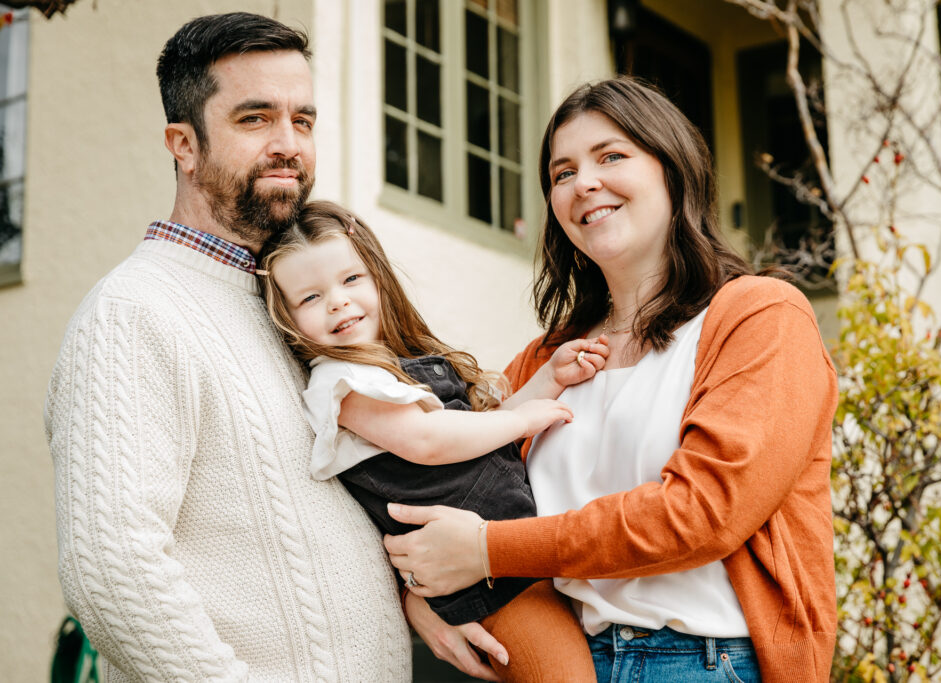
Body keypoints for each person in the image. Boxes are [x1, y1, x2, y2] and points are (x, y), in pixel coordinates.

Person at [384, 77, 839, 683]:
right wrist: (424, 599)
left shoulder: (759, 318)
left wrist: (488, 551)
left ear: (673, 169)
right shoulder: (545, 361)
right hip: (564, 662)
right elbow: (446, 492)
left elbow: (701, 514)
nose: (584, 183)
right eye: (562, 172)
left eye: (612, 156)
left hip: (708, 661)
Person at [44, 13, 412, 681]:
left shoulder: (291, 304)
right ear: (182, 144)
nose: (288, 143)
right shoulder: (133, 312)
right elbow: (114, 572)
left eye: (303, 120)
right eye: (255, 119)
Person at [257, 200, 602, 682]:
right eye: (310, 298)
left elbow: (476, 434)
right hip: (488, 582)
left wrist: (548, 379)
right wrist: (526, 421)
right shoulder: (343, 385)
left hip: (511, 552)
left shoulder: (398, 367)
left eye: (350, 280)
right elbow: (429, 442)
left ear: (378, 278)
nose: (337, 301)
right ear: (289, 319)